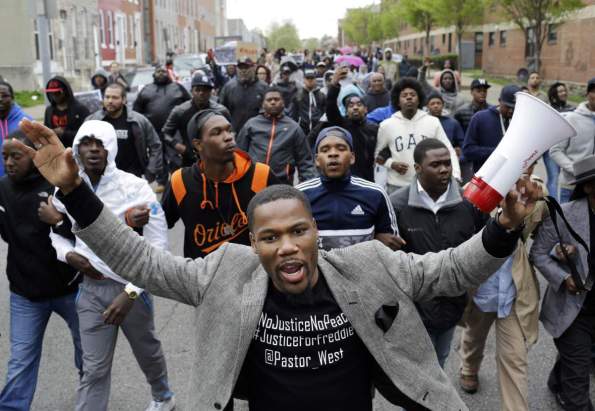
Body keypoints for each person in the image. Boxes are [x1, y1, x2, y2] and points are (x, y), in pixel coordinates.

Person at [16, 117, 541, 411]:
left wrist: (503, 227)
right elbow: (143, 262)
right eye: (269, 237)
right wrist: (74, 193)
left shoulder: (367, 265)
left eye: (298, 231)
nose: (286, 246)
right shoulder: (226, 272)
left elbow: (449, 270)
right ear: (255, 242)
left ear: (315, 233)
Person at [48, 120, 175, 411]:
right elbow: (56, 232)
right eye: (86, 143)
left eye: (99, 143)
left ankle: (163, 396)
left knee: (148, 352)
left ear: (111, 148)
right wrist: (68, 255)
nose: (93, 150)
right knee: (94, 370)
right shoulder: (65, 190)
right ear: (76, 147)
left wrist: (130, 293)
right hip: (91, 292)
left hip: (133, 291)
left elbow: (158, 248)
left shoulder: (135, 187)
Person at [0, 131, 82, 411]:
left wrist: (58, 221)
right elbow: (7, 236)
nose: (9, 162)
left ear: (35, 155)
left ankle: (91, 399)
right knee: (21, 360)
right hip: (25, 293)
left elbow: (86, 234)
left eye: (16, 156)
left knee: (89, 355)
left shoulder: (58, 185)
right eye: (5, 157)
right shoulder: (2, 189)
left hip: (70, 289)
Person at [391, 139, 487, 369]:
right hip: (413, 309)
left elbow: (485, 242)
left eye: (447, 163)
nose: (444, 169)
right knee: (418, 370)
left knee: (440, 361)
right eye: (436, 164)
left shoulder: (468, 203)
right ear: (418, 168)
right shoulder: (397, 204)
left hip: (452, 305)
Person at [459, 162, 546, 411]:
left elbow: (547, 232)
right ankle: (468, 367)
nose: (523, 175)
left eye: (528, 169)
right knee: (474, 338)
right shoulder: (476, 194)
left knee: (515, 360)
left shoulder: (537, 197)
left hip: (513, 292)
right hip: (480, 288)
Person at [161, 110, 278, 259]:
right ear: (198, 144)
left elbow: (286, 223)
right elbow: (158, 226)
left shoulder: (261, 175)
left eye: (229, 130)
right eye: (216, 133)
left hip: (255, 276)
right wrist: (135, 220)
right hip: (203, 278)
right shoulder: (180, 182)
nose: (228, 137)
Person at [530, 154, 595, 411]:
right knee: (578, 388)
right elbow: (537, 254)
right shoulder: (563, 214)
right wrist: (564, 276)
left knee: (576, 360)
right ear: (588, 186)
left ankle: (558, 379)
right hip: (573, 311)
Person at [297, 126, 402, 251]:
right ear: (317, 160)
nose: (333, 153)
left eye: (341, 149)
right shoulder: (299, 196)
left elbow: (391, 242)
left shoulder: (375, 194)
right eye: (325, 150)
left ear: (352, 157)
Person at [375, 78, 461, 193]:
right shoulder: (386, 125)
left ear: (419, 99)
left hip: (428, 185)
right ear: (397, 101)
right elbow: (377, 156)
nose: (409, 97)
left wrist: (455, 175)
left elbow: (448, 150)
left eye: (413, 94)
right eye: (404, 95)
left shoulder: (432, 122)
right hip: (397, 186)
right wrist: (392, 164)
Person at [236, 87, 316, 185]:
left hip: (282, 182)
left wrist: (309, 185)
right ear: (263, 104)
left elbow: (305, 161)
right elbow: (240, 154)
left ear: (283, 103)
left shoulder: (293, 128)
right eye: (269, 100)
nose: (273, 102)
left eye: (276, 99)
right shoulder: (251, 124)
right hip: (254, 180)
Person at [86, 83, 163, 180]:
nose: (110, 101)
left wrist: (152, 169)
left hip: (132, 177)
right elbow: (81, 146)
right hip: (103, 177)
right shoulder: (93, 120)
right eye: (107, 97)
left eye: (115, 98)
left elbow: (155, 145)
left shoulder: (139, 121)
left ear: (124, 100)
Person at [133, 65, 191, 191]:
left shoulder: (177, 87)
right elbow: (137, 110)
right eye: (158, 72)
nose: (161, 74)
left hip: (174, 131)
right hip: (154, 130)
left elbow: (189, 104)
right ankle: (162, 182)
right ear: (154, 75)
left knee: (175, 156)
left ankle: (179, 180)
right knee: (159, 156)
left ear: (168, 73)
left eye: (163, 72)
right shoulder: (146, 90)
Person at [318, 66, 380, 182]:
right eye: (351, 105)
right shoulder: (342, 125)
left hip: (369, 179)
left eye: (358, 104)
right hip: (347, 179)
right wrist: (335, 84)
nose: (355, 107)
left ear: (366, 109)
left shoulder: (375, 128)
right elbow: (330, 106)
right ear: (346, 111)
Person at [162, 74, 230, 167]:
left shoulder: (221, 111)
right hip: (189, 158)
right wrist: (179, 146)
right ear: (192, 91)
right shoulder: (180, 111)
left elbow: (231, 132)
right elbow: (165, 133)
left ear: (211, 92)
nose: (201, 93)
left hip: (215, 157)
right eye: (198, 89)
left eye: (205, 90)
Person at [550, 78, 595, 203]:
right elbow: (555, 150)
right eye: (594, 91)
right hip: (571, 185)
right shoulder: (571, 118)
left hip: (594, 189)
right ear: (587, 94)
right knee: (568, 222)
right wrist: (575, 169)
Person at [463, 84, 521, 173]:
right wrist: (496, 152)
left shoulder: (520, 121)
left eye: (515, 107)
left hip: (511, 177)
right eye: (508, 106)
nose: (511, 111)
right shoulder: (480, 118)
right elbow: (468, 151)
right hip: (484, 177)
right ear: (499, 101)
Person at [218, 58, 269, 132]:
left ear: (254, 68)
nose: (243, 71)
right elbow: (221, 110)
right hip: (235, 133)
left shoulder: (263, 87)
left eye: (246, 68)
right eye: (240, 68)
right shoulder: (229, 87)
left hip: (258, 132)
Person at [43, 76, 90, 148]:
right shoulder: (49, 110)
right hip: (55, 150)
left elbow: (87, 134)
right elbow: (45, 130)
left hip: (75, 150)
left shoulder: (80, 109)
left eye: (57, 93)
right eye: (51, 93)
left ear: (65, 91)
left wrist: (64, 133)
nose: (54, 96)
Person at [0, 81, 31, 176]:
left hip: (20, 181)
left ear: (12, 98)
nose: (0, 99)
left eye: (4, 96)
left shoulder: (25, 121)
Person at [426, 92, 464, 156]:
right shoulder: (424, 123)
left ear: (443, 105)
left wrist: (459, 150)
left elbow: (462, 143)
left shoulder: (453, 123)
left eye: (438, 103)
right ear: (427, 106)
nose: (436, 106)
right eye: (432, 104)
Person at [290, 69, 326, 135]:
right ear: (304, 80)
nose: (310, 80)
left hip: (318, 131)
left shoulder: (322, 95)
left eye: (312, 78)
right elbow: (293, 114)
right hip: (301, 131)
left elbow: (324, 113)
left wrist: (321, 125)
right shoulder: (297, 95)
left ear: (315, 79)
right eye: (307, 78)